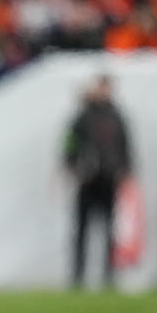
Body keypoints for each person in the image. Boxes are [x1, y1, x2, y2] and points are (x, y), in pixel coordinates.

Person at [62, 74, 133, 288]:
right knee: (82, 230)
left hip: (109, 179)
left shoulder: (116, 116)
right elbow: (69, 144)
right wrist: (73, 166)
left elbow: (125, 146)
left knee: (110, 230)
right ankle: (78, 277)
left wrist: (125, 172)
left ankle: (108, 276)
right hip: (87, 180)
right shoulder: (83, 115)